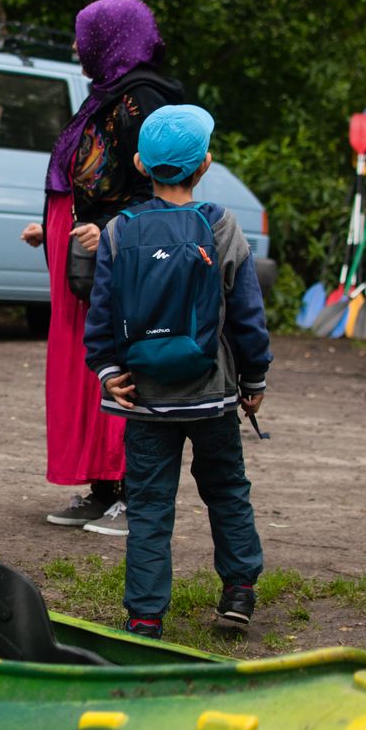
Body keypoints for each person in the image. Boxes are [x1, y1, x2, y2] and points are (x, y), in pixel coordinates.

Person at [83, 104, 271, 639]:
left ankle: (144, 616)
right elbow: (247, 314)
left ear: (141, 164)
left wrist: (107, 370)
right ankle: (238, 590)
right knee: (227, 490)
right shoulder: (219, 224)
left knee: (148, 507)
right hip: (212, 394)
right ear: (206, 164)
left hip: (145, 397)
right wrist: (253, 381)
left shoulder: (118, 231)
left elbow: (101, 315)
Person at [20, 0, 185, 535]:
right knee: (88, 369)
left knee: (120, 361)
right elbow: (94, 176)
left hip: (124, 256)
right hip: (85, 254)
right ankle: (102, 486)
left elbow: (162, 185)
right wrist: (56, 225)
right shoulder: (107, 96)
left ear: (111, 38)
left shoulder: (142, 99)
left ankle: (136, 496)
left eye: (83, 35)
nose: (75, 46)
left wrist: (114, 226)